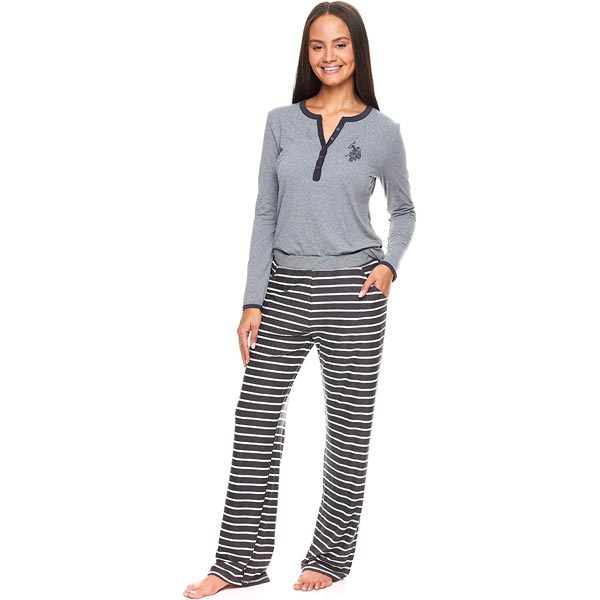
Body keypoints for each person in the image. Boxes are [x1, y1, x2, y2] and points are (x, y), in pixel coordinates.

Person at [183, 1, 416, 596]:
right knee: (255, 420)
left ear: (357, 50)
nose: (328, 56)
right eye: (317, 45)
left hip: (353, 292)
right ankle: (238, 562)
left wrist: (388, 266)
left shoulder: (384, 132)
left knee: (348, 429)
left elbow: (405, 210)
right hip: (283, 289)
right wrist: (251, 300)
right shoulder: (280, 122)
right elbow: (265, 212)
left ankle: (329, 556)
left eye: (340, 44)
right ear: (306, 53)